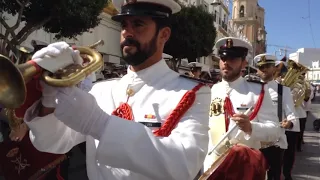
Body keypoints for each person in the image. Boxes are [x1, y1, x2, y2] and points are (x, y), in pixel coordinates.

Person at [23, 0, 211, 179]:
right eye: (124, 25)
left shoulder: (192, 93)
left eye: (138, 24)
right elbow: (51, 143)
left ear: (164, 34)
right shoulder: (101, 90)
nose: (127, 32)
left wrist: (100, 124)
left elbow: (184, 165)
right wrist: (49, 101)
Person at [204, 37, 281, 175]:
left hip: (245, 168)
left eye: (232, 59)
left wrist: (251, 128)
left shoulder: (258, 92)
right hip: (213, 167)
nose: (226, 63)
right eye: (223, 58)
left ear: (244, 63)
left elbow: (275, 131)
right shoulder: (211, 90)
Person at [255, 54, 299, 180]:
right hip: (255, 141)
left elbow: (292, 115)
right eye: (261, 67)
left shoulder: (283, 90)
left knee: (273, 176)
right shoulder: (251, 89)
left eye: (267, 66)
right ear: (257, 69)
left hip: (274, 143)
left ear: (274, 68)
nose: (264, 69)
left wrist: (289, 123)